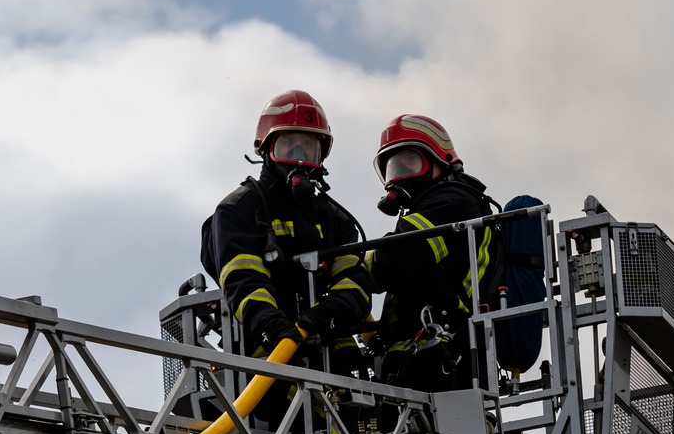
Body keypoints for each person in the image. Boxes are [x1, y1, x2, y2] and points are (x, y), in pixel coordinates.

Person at [209, 90, 368, 369]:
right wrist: (271, 325)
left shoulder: (336, 219)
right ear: (265, 148)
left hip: (331, 354)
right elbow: (243, 280)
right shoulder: (240, 209)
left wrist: (327, 314)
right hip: (266, 356)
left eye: (309, 148)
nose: (298, 156)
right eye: (289, 145)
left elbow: (354, 283)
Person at [361, 114, 497, 393]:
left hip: (445, 354)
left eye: (410, 163)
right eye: (393, 168)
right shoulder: (442, 205)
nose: (400, 177)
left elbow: (397, 259)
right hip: (416, 354)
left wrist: (352, 267)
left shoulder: (454, 201)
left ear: (440, 161)